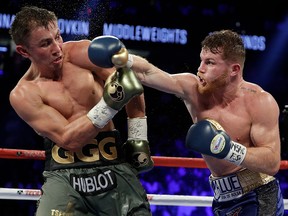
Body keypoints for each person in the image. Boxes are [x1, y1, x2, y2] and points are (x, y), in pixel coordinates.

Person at [9, 6, 153, 216]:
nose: (57, 48)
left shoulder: (82, 53)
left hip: (112, 164)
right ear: (23, 51)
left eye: (57, 36)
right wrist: (110, 103)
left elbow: (129, 83)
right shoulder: (23, 94)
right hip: (64, 176)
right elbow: (68, 138)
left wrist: (138, 138)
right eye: (45, 44)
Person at [127, 30, 284, 215]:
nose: (200, 68)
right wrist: (122, 57)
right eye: (201, 60)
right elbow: (147, 73)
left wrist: (228, 150)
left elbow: (272, 162)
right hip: (222, 199)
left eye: (209, 63)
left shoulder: (260, 102)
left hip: (259, 195)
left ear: (234, 69)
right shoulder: (193, 89)